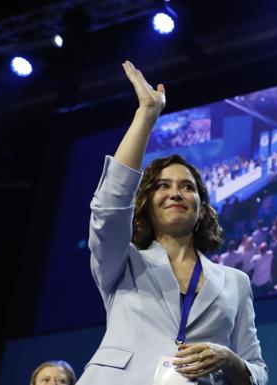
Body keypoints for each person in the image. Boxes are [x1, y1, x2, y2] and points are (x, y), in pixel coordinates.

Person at [77, 61, 267, 385]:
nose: (175, 193)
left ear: (202, 208)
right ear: (146, 205)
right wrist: (146, 115)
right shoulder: (122, 262)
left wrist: (230, 360)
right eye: (162, 186)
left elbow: (258, 373)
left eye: (187, 187)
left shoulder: (236, 282)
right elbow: (109, 207)